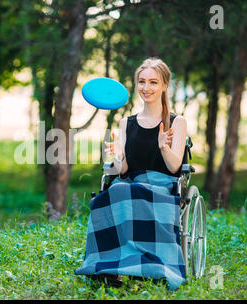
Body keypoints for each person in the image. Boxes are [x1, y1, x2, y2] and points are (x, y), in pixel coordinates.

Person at [75, 57, 187, 290]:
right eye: (142, 81)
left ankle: (151, 267)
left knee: (128, 191)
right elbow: (123, 169)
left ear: (165, 85)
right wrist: (117, 154)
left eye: (153, 82)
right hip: (132, 182)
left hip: (163, 186)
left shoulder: (177, 122)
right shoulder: (127, 123)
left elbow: (175, 167)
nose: (146, 88)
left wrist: (163, 146)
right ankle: (108, 268)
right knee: (113, 191)